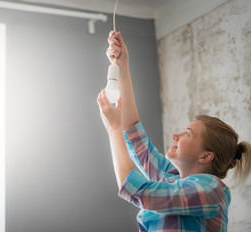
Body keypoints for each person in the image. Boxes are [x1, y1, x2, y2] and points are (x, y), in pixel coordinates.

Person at [97, 31, 251, 232]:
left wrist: (114, 130)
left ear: (206, 156)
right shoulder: (170, 176)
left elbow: (137, 190)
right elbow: (134, 135)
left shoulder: (212, 190)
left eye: (187, 133)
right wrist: (123, 64)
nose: (175, 136)